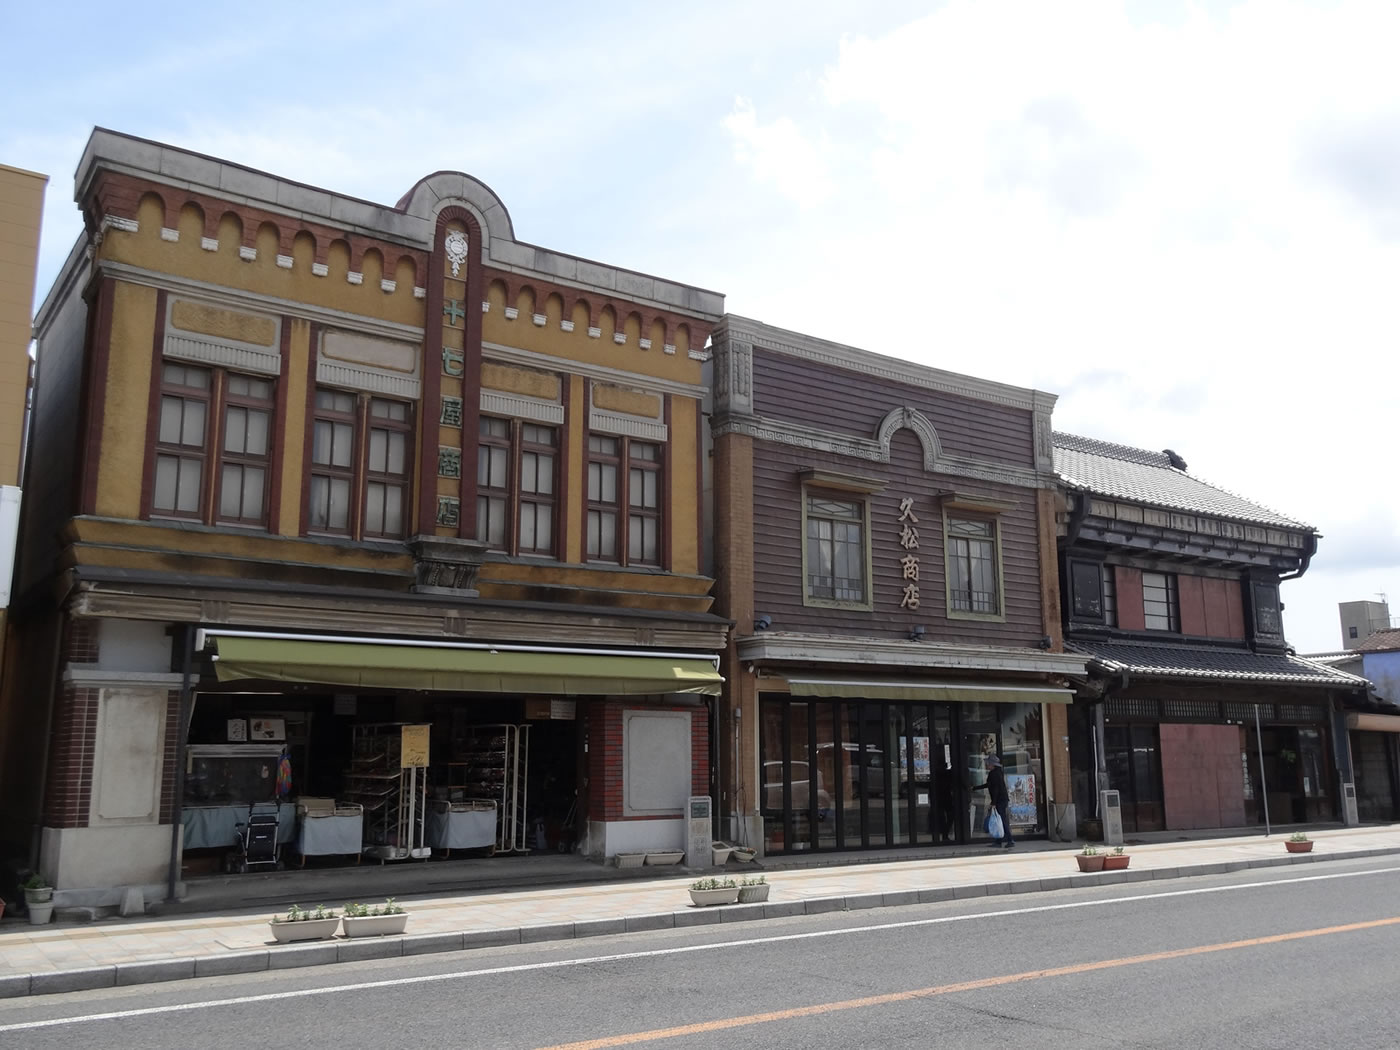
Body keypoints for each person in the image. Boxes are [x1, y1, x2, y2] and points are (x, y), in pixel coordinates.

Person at [971, 753, 1014, 849]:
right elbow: (989, 785)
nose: (987, 765)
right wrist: (975, 788)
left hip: (1000, 800)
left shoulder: (994, 774)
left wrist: (994, 802)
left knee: (1001, 820)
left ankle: (1010, 840)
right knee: (999, 820)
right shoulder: (998, 772)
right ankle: (999, 841)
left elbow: (995, 789)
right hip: (1002, 799)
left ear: (992, 764)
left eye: (988, 764)